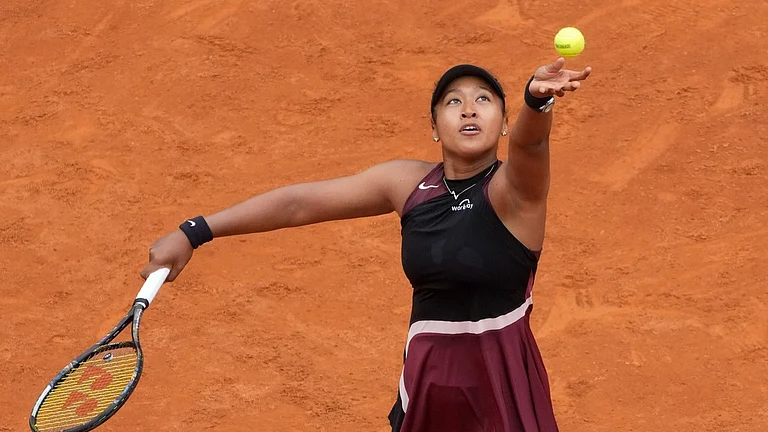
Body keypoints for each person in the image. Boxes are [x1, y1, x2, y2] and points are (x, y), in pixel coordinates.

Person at [141, 57, 592, 431]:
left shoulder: (514, 192)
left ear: (505, 122)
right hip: (430, 381)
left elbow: (532, 148)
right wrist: (195, 231)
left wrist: (536, 100)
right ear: (435, 127)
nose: (468, 110)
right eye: (453, 102)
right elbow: (300, 204)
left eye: (483, 100)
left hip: (502, 383)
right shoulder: (408, 184)